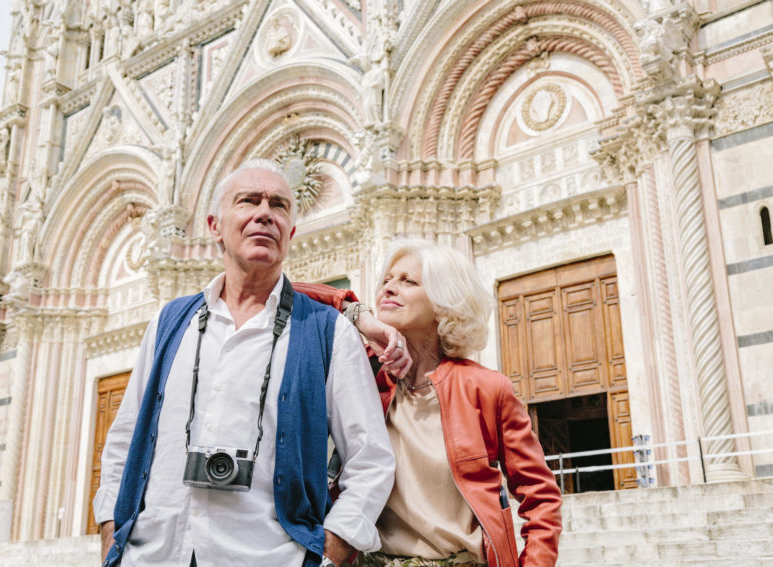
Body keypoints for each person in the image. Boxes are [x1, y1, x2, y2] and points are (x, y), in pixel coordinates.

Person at [93, 160, 399, 567]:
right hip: (151, 557)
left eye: (279, 205)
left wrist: (331, 553)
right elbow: (123, 440)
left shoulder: (328, 333)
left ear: (290, 232)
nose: (264, 213)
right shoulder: (170, 322)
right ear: (214, 226)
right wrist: (111, 533)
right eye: (248, 201)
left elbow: (370, 459)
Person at [303, 239, 562, 567]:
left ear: (445, 301)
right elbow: (280, 289)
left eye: (408, 281)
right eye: (387, 280)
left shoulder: (486, 389)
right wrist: (360, 315)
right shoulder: (363, 374)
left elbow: (541, 499)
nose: (389, 288)